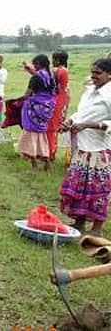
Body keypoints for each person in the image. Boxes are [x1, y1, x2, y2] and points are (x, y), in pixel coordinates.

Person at [59, 58, 111, 236]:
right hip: (81, 147)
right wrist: (70, 121)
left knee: (98, 190)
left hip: (99, 149)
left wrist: (90, 125)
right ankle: (79, 223)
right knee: (79, 187)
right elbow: (81, 113)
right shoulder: (89, 92)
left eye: (98, 73)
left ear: (109, 74)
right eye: (92, 72)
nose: (93, 76)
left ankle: (97, 229)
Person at [19, 54, 57, 171]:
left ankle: (34, 166)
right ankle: (47, 163)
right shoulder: (51, 76)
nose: (34, 66)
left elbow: (27, 94)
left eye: (35, 64)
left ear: (39, 64)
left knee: (31, 136)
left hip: (33, 110)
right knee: (41, 135)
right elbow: (55, 91)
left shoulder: (35, 78)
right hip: (46, 109)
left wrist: (18, 100)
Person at [48, 51, 70, 160]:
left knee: (52, 128)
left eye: (53, 59)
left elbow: (54, 86)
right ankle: (51, 152)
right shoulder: (64, 70)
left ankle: (50, 153)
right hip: (62, 100)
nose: (52, 61)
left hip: (57, 101)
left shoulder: (59, 71)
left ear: (57, 60)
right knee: (53, 128)